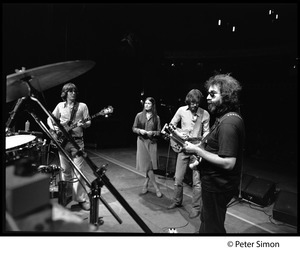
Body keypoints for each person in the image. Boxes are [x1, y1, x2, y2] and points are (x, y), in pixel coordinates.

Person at [184, 74, 245, 233]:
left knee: (213, 227)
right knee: (207, 220)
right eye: (208, 94)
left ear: (226, 96)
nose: (208, 98)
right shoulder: (224, 118)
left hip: (218, 185)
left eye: (213, 94)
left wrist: (197, 150)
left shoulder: (229, 124)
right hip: (214, 182)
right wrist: (201, 161)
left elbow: (228, 162)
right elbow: (215, 149)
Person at [47, 82, 91, 211]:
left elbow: (88, 121)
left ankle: (81, 199)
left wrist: (83, 124)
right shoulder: (60, 106)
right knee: (65, 171)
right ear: (65, 93)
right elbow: (50, 118)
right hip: (63, 143)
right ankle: (66, 196)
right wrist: (53, 128)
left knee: (79, 172)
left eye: (74, 91)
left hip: (77, 143)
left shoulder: (82, 106)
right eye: (70, 91)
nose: (73, 93)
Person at [167, 89, 210, 219]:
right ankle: (176, 201)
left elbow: (207, 132)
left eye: (196, 103)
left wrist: (202, 143)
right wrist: (179, 133)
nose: (194, 105)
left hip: (196, 149)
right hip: (183, 147)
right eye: (192, 103)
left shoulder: (205, 113)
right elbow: (171, 125)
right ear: (188, 101)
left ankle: (196, 208)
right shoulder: (181, 110)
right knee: (178, 178)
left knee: (197, 182)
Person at [132, 97, 163, 198]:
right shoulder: (139, 115)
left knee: (150, 165)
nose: (146, 105)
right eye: (145, 103)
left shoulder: (156, 117)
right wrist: (140, 131)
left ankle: (145, 184)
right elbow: (133, 128)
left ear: (153, 105)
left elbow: (159, 132)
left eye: (149, 104)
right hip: (141, 141)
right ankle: (156, 187)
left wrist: (152, 133)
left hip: (152, 142)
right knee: (148, 166)